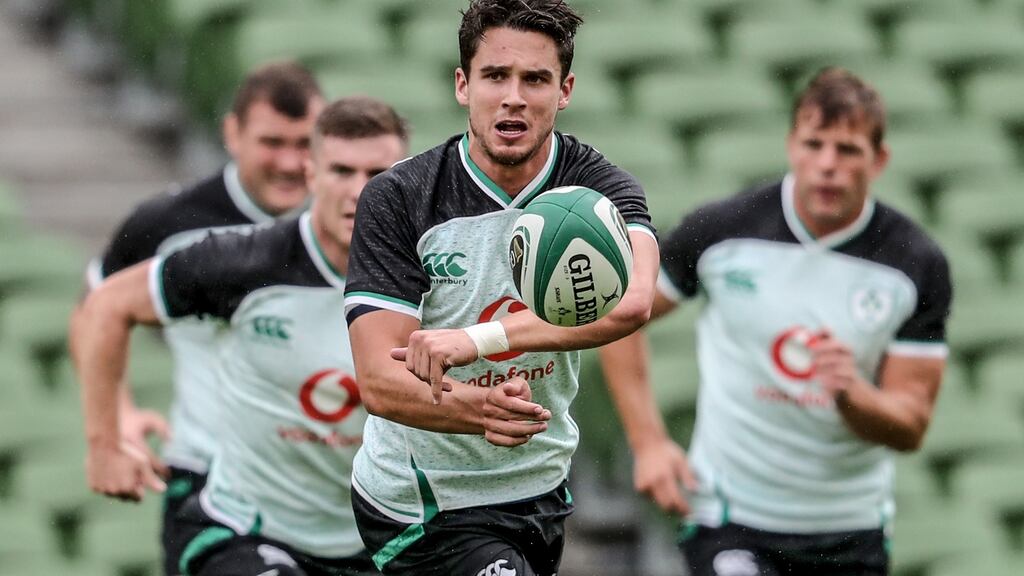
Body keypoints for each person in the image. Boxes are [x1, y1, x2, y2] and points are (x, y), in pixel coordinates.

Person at [341, 1, 659, 575]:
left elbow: (633, 300)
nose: (514, 96)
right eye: (495, 76)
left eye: (535, 79)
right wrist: (479, 408)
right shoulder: (401, 198)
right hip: (425, 502)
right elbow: (380, 382)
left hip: (539, 487)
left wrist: (475, 340)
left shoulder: (598, 191)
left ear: (565, 90)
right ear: (463, 85)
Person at [599, 67, 953, 575]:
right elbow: (619, 317)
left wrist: (852, 392)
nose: (827, 165)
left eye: (848, 150)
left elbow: (910, 425)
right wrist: (648, 442)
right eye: (815, 144)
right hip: (729, 517)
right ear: (791, 145)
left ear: (879, 160)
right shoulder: (723, 229)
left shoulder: (915, 263)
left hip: (850, 529)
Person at [71, 96, 409, 576]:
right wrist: (105, 444)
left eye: (376, 173)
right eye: (341, 171)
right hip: (246, 530)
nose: (359, 191)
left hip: (379, 540)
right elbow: (105, 304)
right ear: (311, 174)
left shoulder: (433, 276)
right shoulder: (245, 262)